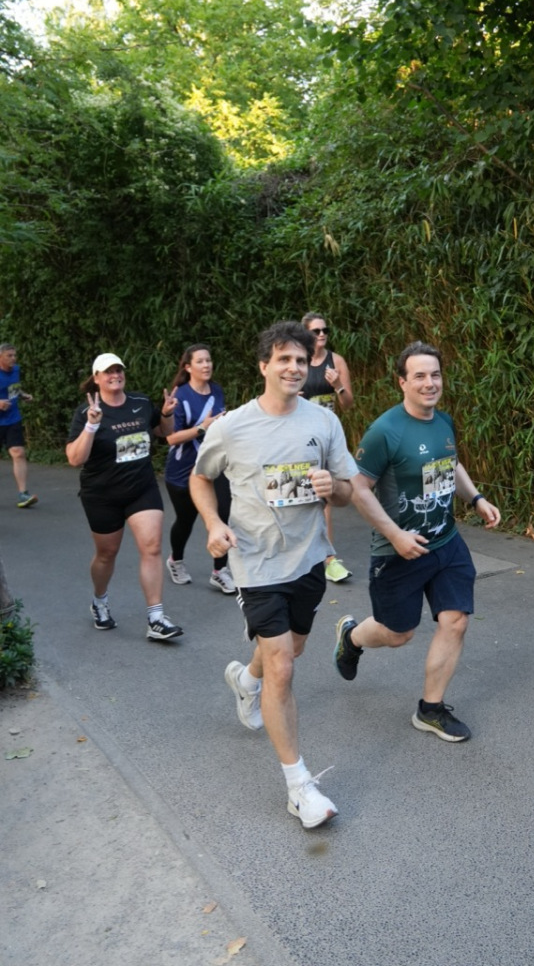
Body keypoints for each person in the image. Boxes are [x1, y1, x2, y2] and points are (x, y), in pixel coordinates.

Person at [190, 321, 357, 830]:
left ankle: (246, 679)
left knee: (290, 650)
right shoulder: (232, 427)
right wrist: (213, 523)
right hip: (255, 562)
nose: (293, 368)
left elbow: (347, 490)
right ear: (264, 366)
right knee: (282, 666)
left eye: (301, 360)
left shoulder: (324, 422)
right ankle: (299, 786)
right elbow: (200, 478)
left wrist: (332, 488)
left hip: (308, 559)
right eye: (283, 359)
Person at [334, 340, 501, 742]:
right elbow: (358, 488)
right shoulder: (384, 432)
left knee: (455, 621)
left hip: (446, 542)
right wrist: (395, 535)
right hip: (398, 551)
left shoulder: (443, 422)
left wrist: (476, 498)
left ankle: (430, 709)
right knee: (398, 633)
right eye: (420, 376)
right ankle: (352, 637)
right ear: (402, 382)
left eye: (435, 375)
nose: (430, 383)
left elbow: (451, 464)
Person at [66, 352, 184, 642]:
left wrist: (167, 414)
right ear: (97, 378)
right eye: (108, 372)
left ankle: (156, 618)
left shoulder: (140, 402)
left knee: (152, 546)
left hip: (141, 488)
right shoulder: (86, 412)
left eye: (118, 370)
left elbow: (162, 432)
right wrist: (92, 425)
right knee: (107, 554)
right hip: (102, 494)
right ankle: (99, 600)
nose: (115, 375)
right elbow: (75, 458)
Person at [163, 343, 234, 593]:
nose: (206, 365)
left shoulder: (217, 390)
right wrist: (203, 427)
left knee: (222, 515)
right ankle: (176, 560)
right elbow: (171, 438)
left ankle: (219, 571)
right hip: (182, 470)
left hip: (213, 467)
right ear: (188, 367)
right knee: (186, 520)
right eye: (200, 361)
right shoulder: (180, 396)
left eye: (209, 360)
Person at [300, 313, 354, 584]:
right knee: (302, 495)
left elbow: (348, 404)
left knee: (326, 496)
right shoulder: (298, 361)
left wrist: (338, 386)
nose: (321, 334)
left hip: (327, 436)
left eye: (325, 330)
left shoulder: (337, 361)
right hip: (301, 436)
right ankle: (305, 553)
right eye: (316, 331)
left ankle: (329, 559)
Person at [0, 343, 38, 508]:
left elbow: (13, 389)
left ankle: (23, 494)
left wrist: (23, 395)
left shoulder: (16, 370)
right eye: (9, 356)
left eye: (14, 355)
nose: (13, 359)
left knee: (19, 453)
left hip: (12, 419)